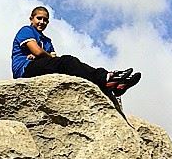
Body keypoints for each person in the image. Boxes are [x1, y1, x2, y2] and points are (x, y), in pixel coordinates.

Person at [11, 6, 140, 96]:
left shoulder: (47, 40)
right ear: (31, 19)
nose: (42, 22)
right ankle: (106, 78)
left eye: (45, 20)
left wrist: (44, 56)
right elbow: (38, 52)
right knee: (67, 61)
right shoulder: (26, 30)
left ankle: (112, 83)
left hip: (37, 66)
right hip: (24, 70)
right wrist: (44, 55)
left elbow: (51, 57)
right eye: (39, 18)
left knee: (72, 64)